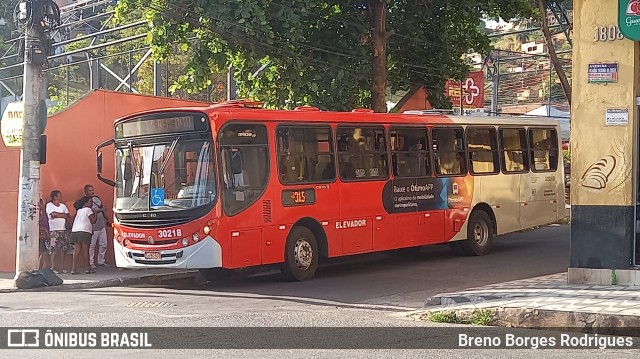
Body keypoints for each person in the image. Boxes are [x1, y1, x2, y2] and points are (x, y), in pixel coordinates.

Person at [84, 184, 109, 269]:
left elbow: (102, 209)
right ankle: (91, 262)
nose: (92, 191)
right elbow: (92, 211)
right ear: (86, 192)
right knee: (92, 245)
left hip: (101, 224)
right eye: (90, 190)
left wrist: (108, 219)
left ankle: (101, 261)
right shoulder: (85, 201)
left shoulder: (97, 199)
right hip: (93, 226)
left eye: (92, 190)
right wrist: (101, 210)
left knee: (104, 244)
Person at [46, 190, 71, 274]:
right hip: (54, 230)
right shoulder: (49, 205)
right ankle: (52, 267)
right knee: (53, 249)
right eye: (59, 195)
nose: (61, 197)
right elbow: (52, 214)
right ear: (55, 197)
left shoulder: (63, 205)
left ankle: (62, 267)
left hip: (63, 229)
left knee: (63, 249)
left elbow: (67, 215)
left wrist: (58, 215)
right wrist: (62, 215)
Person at [70, 196, 97, 274]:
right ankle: (88, 268)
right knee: (86, 250)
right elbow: (93, 221)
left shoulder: (79, 210)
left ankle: (73, 268)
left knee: (77, 250)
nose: (92, 203)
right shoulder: (88, 210)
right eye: (90, 201)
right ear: (86, 203)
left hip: (75, 231)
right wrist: (95, 213)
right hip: (84, 231)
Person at [38, 198, 51, 270]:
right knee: (43, 252)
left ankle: (44, 268)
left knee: (45, 253)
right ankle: (39, 268)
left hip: (45, 236)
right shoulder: (37, 214)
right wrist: (45, 230)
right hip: (41, 235)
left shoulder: (44, 213)